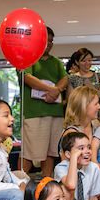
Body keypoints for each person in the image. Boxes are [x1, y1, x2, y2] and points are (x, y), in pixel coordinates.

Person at [19, 27, 67, 176]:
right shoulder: (28, 57)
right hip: (35, 113)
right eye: (46, 40)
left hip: (55, 112)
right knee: (29, 152)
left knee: (51, 152)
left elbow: (64, 79)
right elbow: (27, 78)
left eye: (51, 41)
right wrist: (51, 90)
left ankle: (46, 185)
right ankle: (18, 184)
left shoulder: (56, 61)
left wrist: (56, 90)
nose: (49, 44)